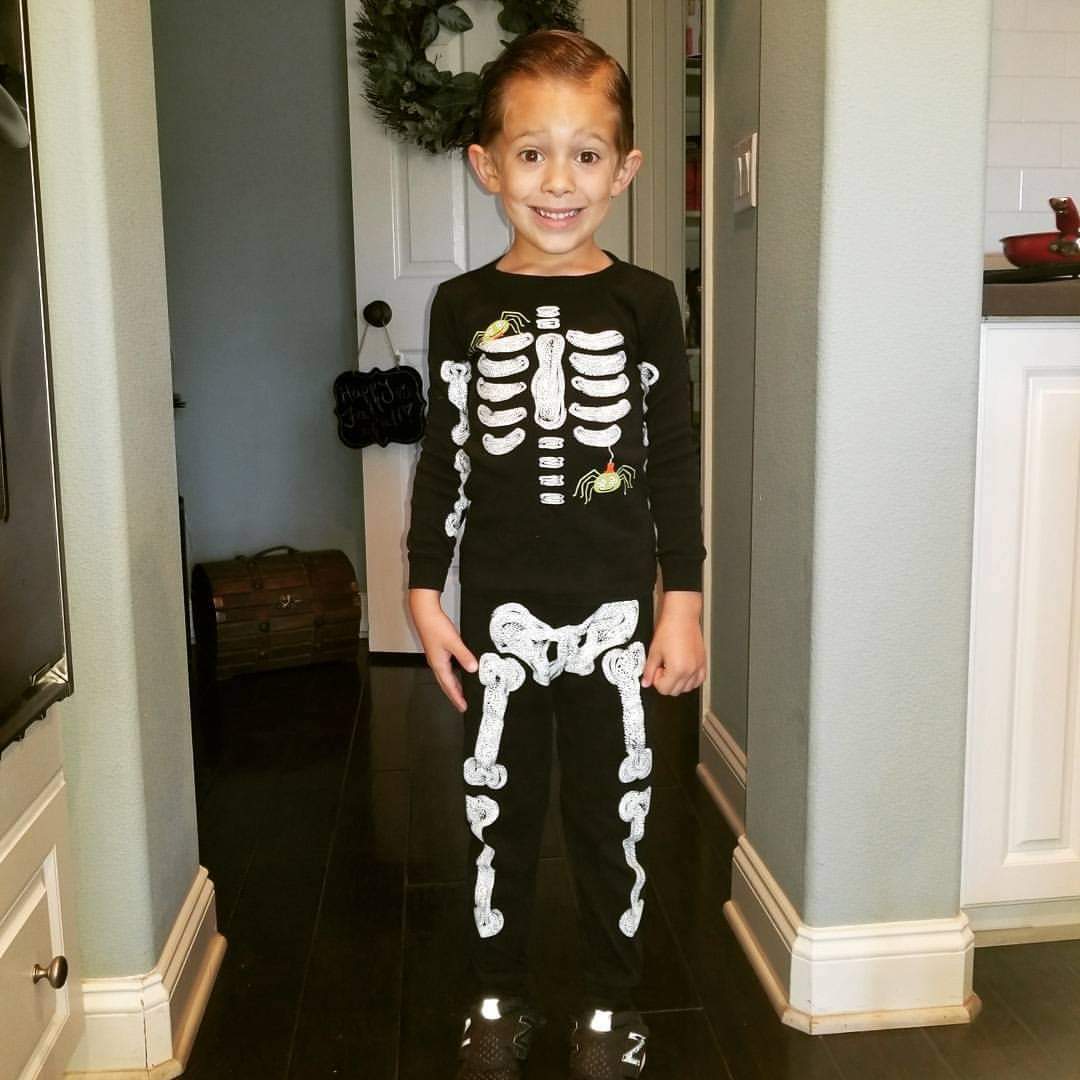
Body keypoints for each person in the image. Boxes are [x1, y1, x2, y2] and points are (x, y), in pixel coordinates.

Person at [406, 27, 706, 1080]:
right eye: (531, 153)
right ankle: (497, 992)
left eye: (586, 155)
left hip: (617, 614)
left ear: (625, 170)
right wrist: (424, 593)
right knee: (497, 811)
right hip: (498, 619)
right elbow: (445, 457)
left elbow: (671, 458)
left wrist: (683, 598)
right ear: (487, 166)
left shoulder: (647, 302)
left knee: (614, 817)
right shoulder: (461, 305)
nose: (559, 181)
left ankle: (611, 1004)